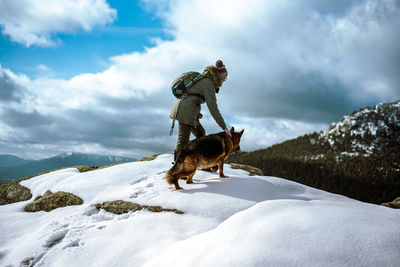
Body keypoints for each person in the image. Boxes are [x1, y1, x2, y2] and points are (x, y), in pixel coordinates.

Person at [170, 60, 232, 162]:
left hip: (188, 110)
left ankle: (199, 160)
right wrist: (224, 127)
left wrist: (196, 113)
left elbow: (192, 96)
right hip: (185, 111)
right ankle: (178, 167)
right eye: (225, 77)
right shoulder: (208, 83)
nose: (225, 80)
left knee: (200, 133)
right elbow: (213, 108)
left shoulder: (205, 80)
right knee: (183, 139)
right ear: (219, 75)